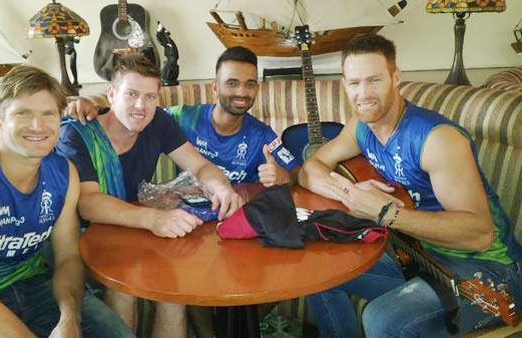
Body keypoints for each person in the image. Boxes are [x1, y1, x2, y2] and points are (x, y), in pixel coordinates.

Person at [298, 33, 522, 337]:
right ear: (344, 85)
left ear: (396, 77)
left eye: (374, 80)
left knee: (383, 319)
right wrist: (351, 195)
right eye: (354, 83)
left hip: (490, 272)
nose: (364, 93)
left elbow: (480, 235)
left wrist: (385, 213)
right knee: (318, 272)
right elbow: (309, 169)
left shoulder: (437, 139)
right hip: (419, 259)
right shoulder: (359, 127)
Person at [0, 65, 134, 337]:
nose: (38, 126)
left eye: (49, 114)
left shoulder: (63, 173)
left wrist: (70, 319)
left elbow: (67, 258)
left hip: (31, 284)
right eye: (23, 113)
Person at [56, 55, 242, 338]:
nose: (141, 106)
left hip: (132, 231)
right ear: (111, 94)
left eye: (150, 97)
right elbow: (88, 203)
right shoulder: (78, 135)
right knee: (125, 287)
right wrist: (154, 218)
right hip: (81, 238)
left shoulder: (158, 123)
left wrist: (222, 188)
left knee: (174, 287)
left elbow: (200, 165)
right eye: (131, 95)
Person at [67, 46, 299, 188]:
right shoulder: (182, 117)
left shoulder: (263, 135)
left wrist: (284, 177)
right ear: (215, 87)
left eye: (250, 84)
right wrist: (90, 104)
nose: (241, 92)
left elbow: (298, 172)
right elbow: (135, 112)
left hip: (233, 215)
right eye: (232, 83)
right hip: (184, 217)